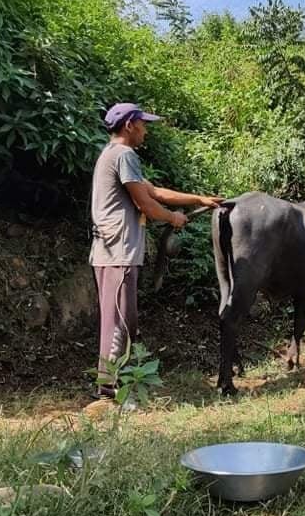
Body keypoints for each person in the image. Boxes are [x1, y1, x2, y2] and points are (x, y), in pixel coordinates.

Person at [90, 102, 222, 398]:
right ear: (129, 125)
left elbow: (155, 192)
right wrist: (172, 217)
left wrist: (198, 199)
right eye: (143, 124)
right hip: (118, 252)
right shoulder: (124, 155)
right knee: (121, 321)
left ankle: (113, 385)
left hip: (111, 251)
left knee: (122, 319)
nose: (145, 130)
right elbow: (146, 203)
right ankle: (112, 391)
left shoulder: (112, 155)